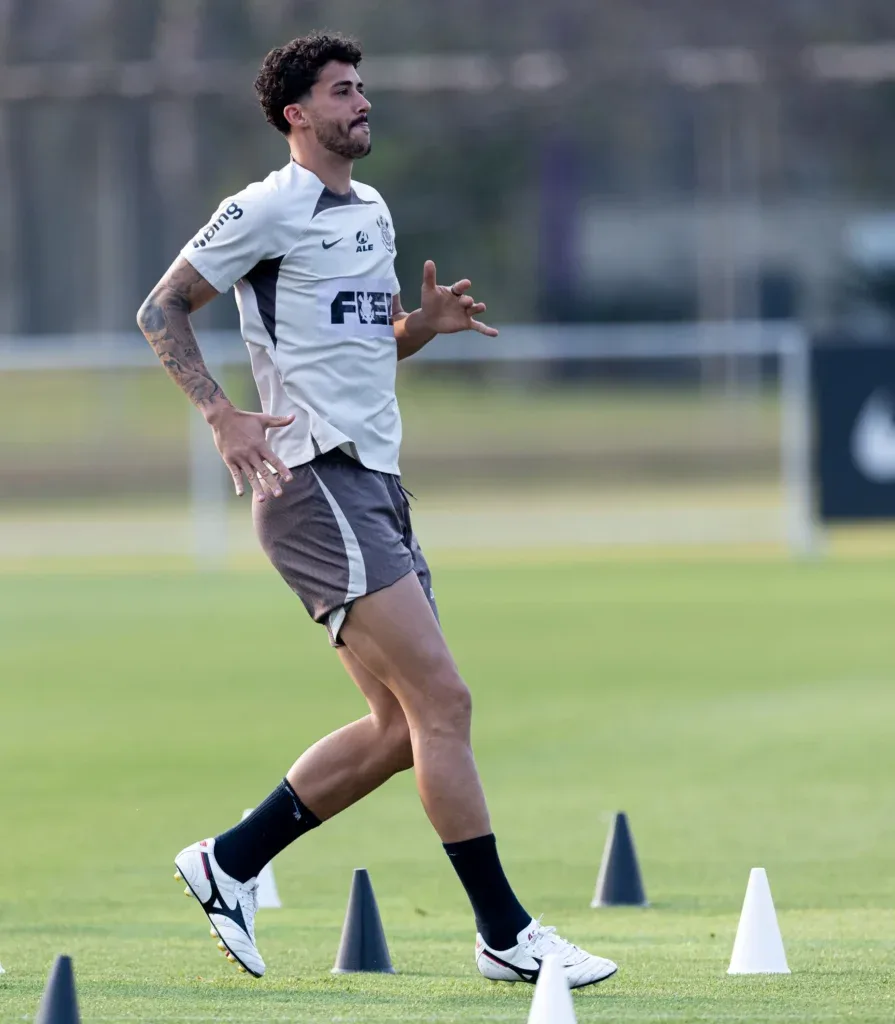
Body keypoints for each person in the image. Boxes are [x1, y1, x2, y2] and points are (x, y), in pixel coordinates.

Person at [136, 31, 617, 989]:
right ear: (295, 115)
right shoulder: (266, 206)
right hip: (314, 483)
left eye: (364, 89)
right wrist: (222, 415)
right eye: (343, 92)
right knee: (445, 701)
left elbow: (357, 346)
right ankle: (504, 933)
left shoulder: (373, 209)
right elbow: (161, 310)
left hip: (376, 487)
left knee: (402, 731)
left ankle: (226, 862)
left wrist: (420, 330)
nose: (363, 104)